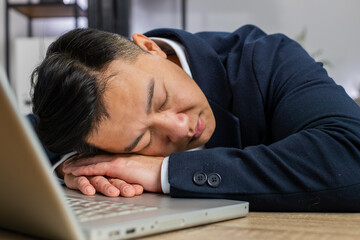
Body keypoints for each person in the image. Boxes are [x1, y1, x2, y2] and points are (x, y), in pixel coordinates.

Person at [30, 25, 360, 212]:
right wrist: (73, 165)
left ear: (150, 48)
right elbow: (20, 136)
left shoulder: (268, 59)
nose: (180, 128)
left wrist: (163, 170)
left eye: (160, 99)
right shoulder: (88, 127)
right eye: (143, 141)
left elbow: (350, 153)